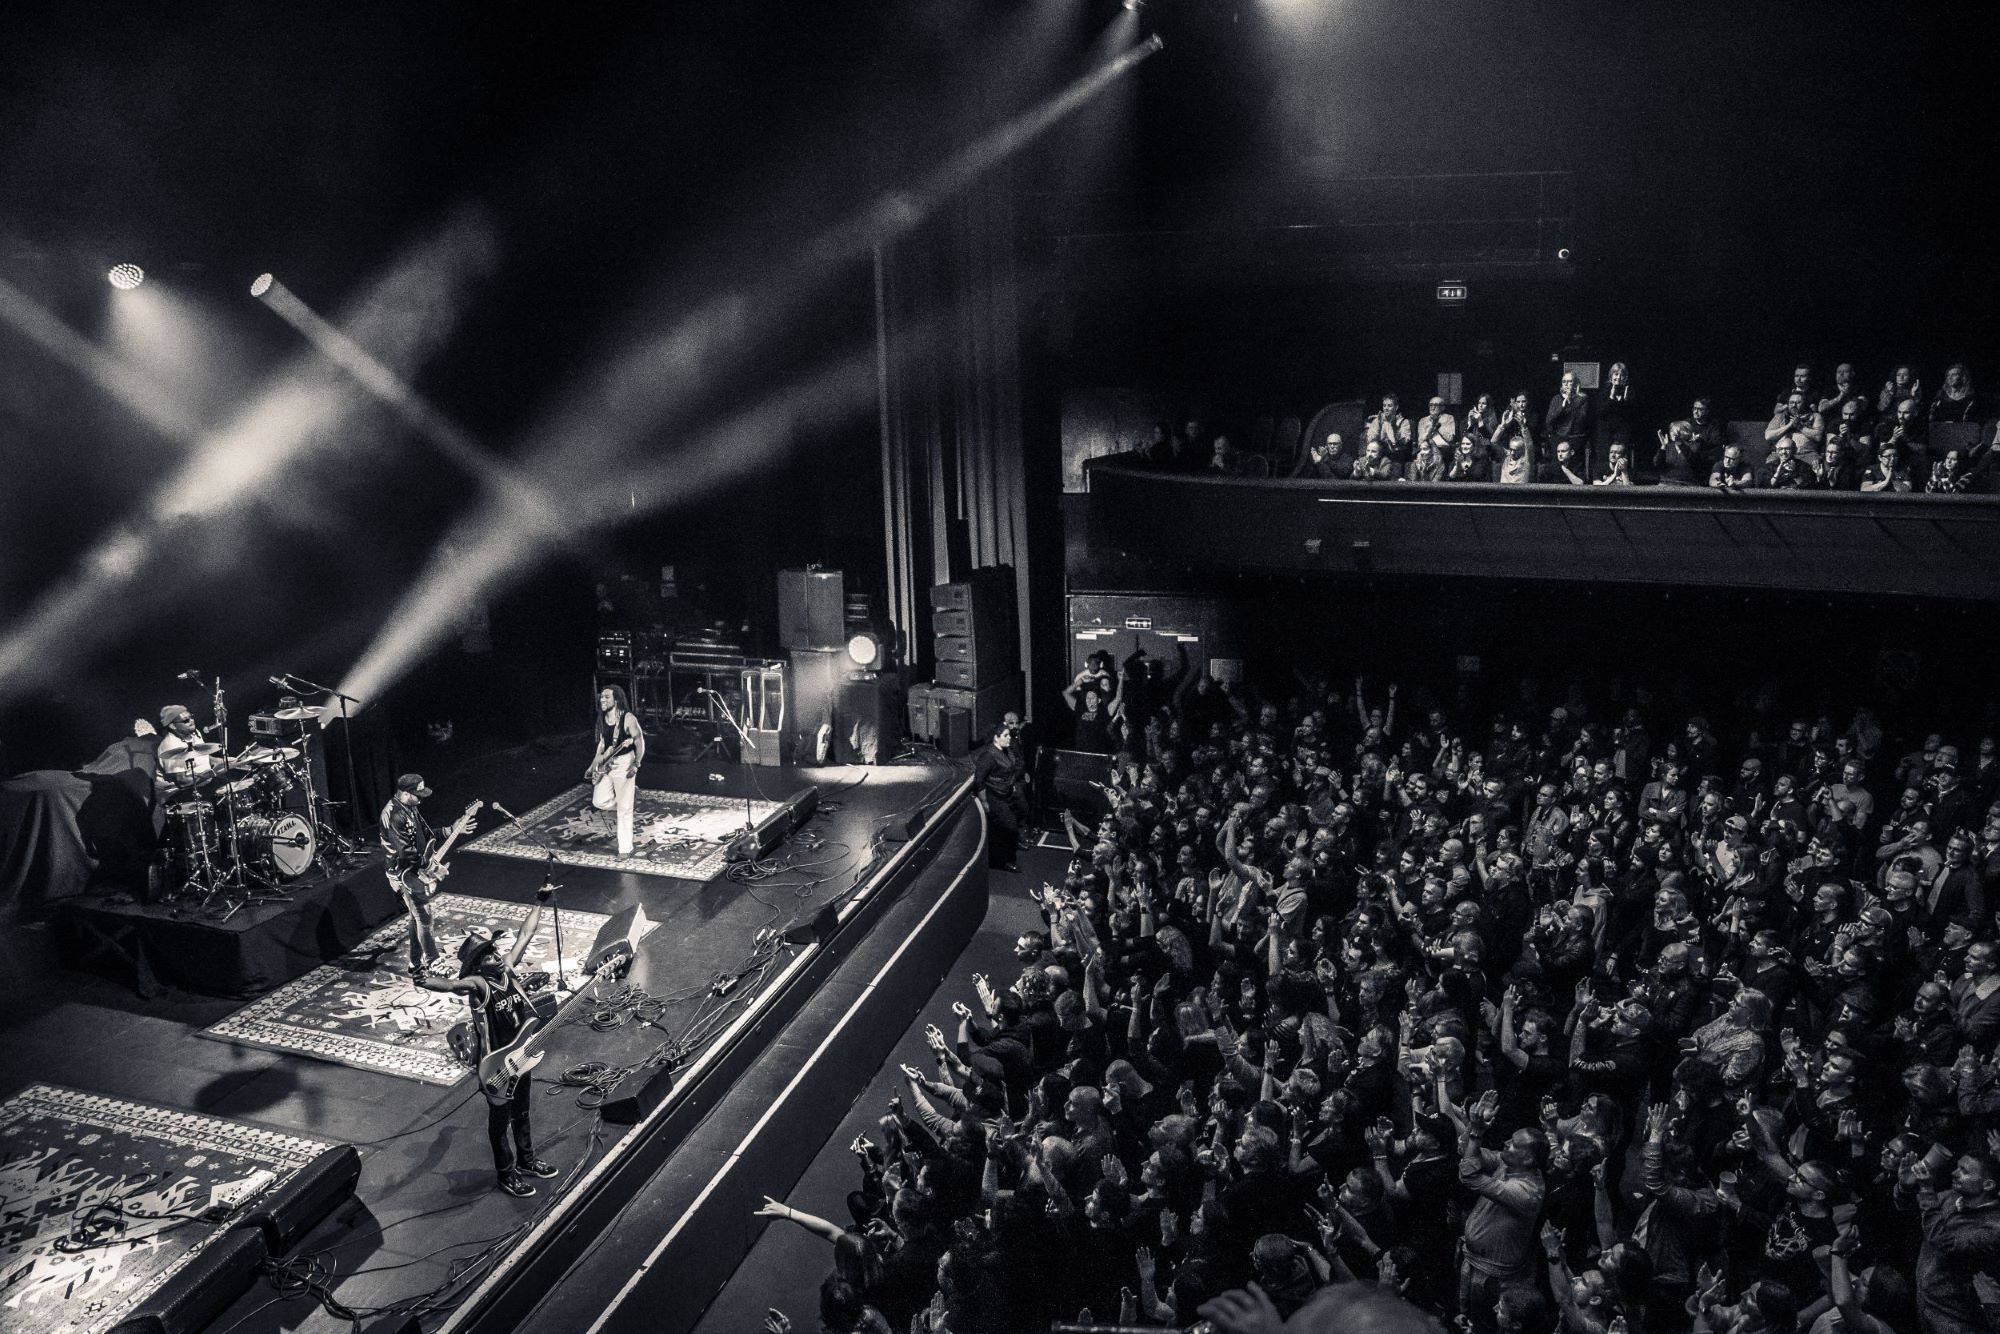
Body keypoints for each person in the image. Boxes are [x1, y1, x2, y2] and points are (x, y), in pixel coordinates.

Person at [417, 892, 560, 1198]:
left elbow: (525, 935)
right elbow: (452, 985)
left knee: (522, 1112)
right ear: (479, 965)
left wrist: (539, 901)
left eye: (495, 952)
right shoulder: (479, 985)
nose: (497, 955)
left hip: (520, 1054)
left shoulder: (507, 971)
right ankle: (506, 1175)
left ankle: (527, 1161)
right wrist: (423, 980)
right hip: (495, 1065)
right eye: (490, 955)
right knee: (500, 1122)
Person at [380, 773, 446, 973]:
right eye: (418, 795)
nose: (421, 799)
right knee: (424, 917)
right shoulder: (394, 815)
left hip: (412, 867)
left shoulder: (410, 807)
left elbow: (423, 835)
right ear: (406, 793)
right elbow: (405, 852)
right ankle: (434, 961)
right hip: (403, 872)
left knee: (415, 916)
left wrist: (449, 830)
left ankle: (415, 963)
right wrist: (431, 868)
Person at [587, 684, 645, 856]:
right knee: (599, 801)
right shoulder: (602, 718)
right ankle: (628, 800)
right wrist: (592, 767)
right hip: (609, 764)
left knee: (624, 810)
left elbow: (640, 742)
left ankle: (625, 849)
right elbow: (602, 747)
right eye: (601, 697)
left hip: (625, 763)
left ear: (617, 699)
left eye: (606, 697)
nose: (601, 700)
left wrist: (637, 764)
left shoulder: (628, 719)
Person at [972, 719, 1030, 873]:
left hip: (1007, 794)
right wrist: (984, 802)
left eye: (1009, 735)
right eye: (1005, 735)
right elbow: (979, 780)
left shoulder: (1007, 750)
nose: (1009, 738)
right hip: (994, 797)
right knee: (1010, 826)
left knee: (1016, 819)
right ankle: (1006, 862)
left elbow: (1011, 768)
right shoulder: (989, 756)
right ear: (996, 738)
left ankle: (1008, 851)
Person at [1543, 371, 1593, 477]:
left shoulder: (1583, 399)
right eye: (1564, 381)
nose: (1566, 384)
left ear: (1575, 384)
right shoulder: (1556, 399)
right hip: (1559, 438)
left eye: (1569, 381)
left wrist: (1573, 400)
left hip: (1576, 438)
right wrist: (1562, 406)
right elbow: (1549, 421)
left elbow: (1582, 420)